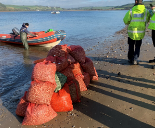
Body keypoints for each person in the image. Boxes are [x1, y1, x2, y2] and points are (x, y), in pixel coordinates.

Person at [123, 0, 151, 65]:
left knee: (131, 45)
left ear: (136, 1)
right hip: (140, 32)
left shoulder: (131, 11)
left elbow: (125, 21)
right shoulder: (146, 11)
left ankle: (130, 59)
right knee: (138, 46)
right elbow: (147, 20)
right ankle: (135, 59)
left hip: (131, 32)